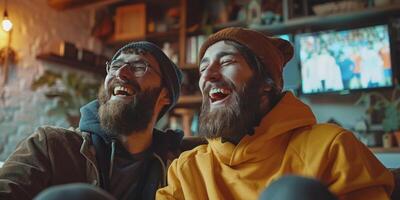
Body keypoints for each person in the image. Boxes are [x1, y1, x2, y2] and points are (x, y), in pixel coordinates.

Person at [156, 27, 394, 199]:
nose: (207, 76)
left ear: (266, 83)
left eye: (226, 61)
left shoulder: (333, 148)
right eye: (203, 68)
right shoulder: (187, 169)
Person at [0, 41, 185, 200]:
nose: (120, 73)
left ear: (166, 94)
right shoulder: (50, 146)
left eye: (139, 67)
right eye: (114, 66)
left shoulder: (180, 165)